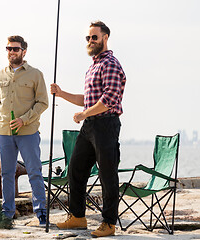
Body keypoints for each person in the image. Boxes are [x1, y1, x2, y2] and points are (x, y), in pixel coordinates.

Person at [51, 21, 126, 238]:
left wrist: (84, 114)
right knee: (75, 169)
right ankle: (77, 217)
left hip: (105, 125)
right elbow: (88, 100)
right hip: (90, 126)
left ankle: (109, 223)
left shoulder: (110, 63)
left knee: (107, 175)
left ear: (105, 38)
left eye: (94, 37)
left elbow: (109, 100)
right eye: (88, 38)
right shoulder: (93, 65)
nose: (90, 41)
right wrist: (62, 93)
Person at [0, 35, 49, 227]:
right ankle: (7, 213)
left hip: (28, 132)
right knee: (6, 173)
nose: (11, 52)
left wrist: (24, 120)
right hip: (4, 132)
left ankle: (41, 213)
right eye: (8, 48)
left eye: (15, 49)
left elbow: (43, 102)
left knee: (34, 172)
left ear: (24, 51)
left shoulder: (35, 74)